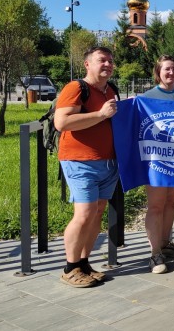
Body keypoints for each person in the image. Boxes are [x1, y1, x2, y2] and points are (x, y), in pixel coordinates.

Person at [54, 46, 119, 287]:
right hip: (80, 162)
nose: (108, 65)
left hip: (108, 162)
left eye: (111, 61)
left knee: (97, 212)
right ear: (87, 64)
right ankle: (70, 267)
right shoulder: (76, 88)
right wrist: (101, 114)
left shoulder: (111, 90)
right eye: (102, 60)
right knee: (83, 215)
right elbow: (62, 122)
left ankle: (83, 263)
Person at [140, 55, 174, 274]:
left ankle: (165, 242)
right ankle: (155, 254)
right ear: (158, 72)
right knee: (156, 205)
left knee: (170, 201)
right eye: (167, 69)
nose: (171, 73)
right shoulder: (147, 96)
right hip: (156, 160)